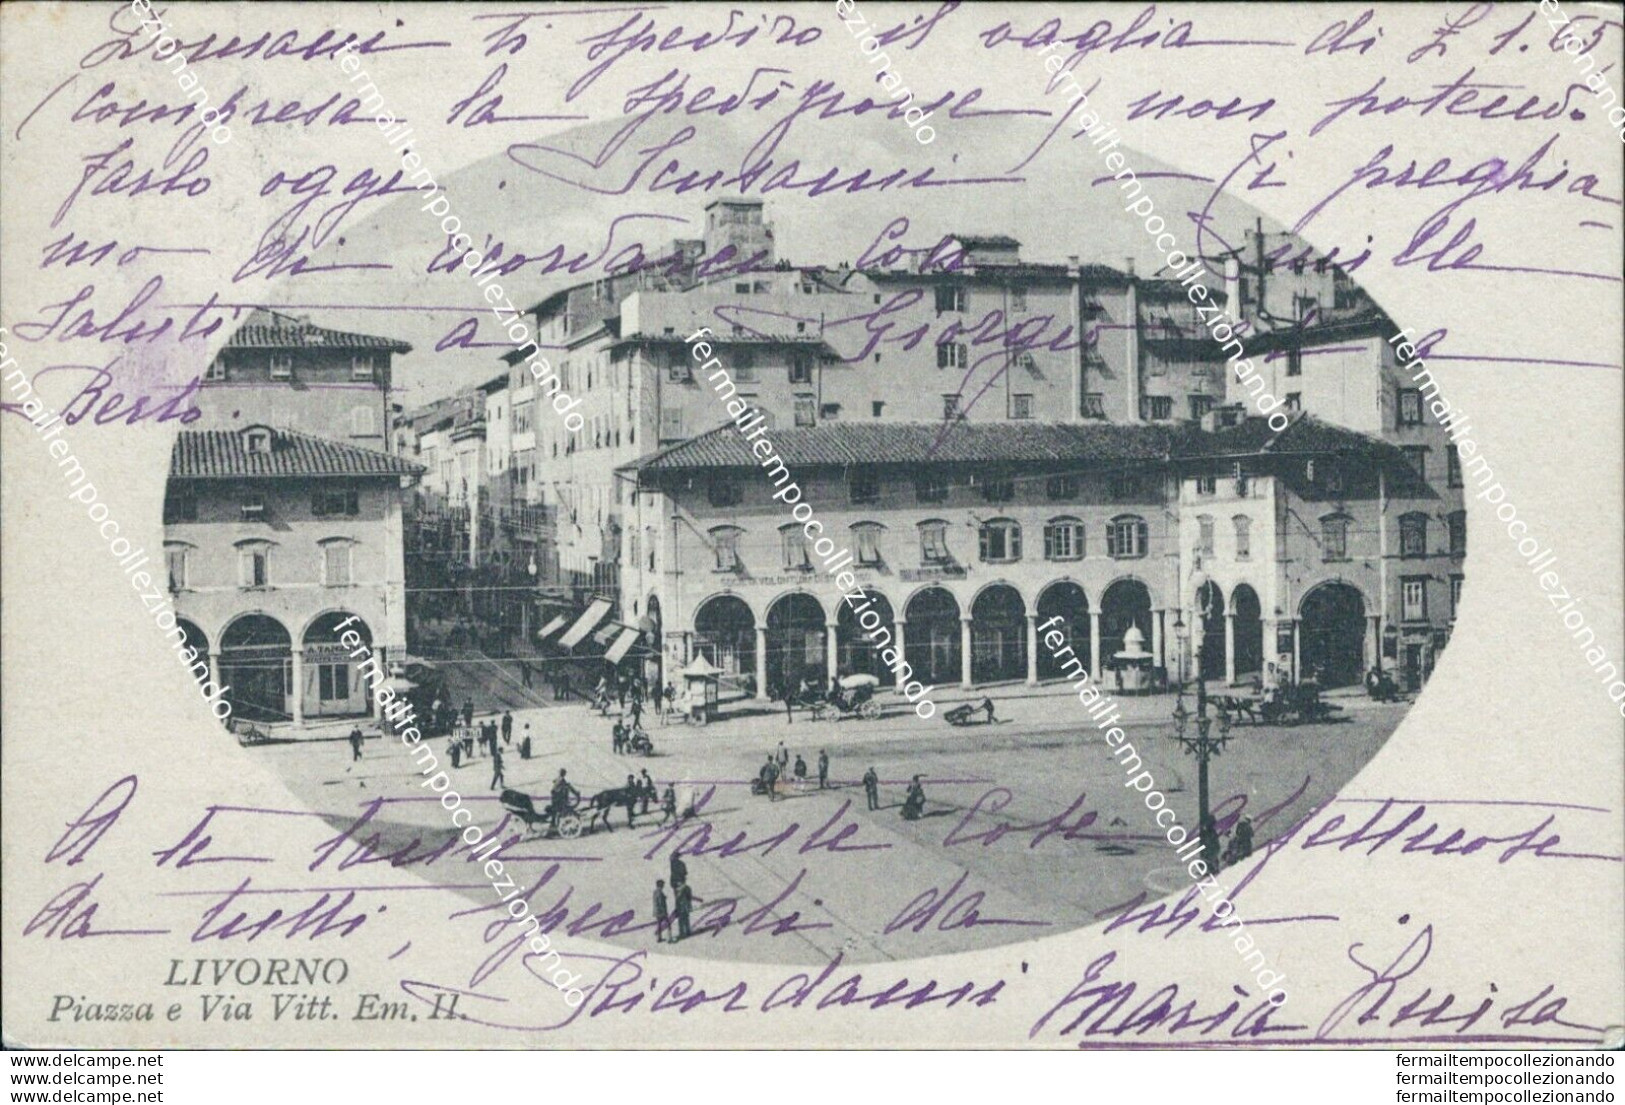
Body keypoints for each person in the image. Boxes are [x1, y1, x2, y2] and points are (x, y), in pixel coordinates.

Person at [652, 879, 672, 944]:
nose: (663, 886)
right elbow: (660, 903)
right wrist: (665, 912)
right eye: (663, 885)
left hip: (656, 912)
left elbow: (657, 900)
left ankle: (658, 938)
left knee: (659, 925)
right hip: (661, 912)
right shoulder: (660, 892)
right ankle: (669, 938)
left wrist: (664, 897)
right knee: (668, 924)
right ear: (661, 885)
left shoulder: (655, 891)